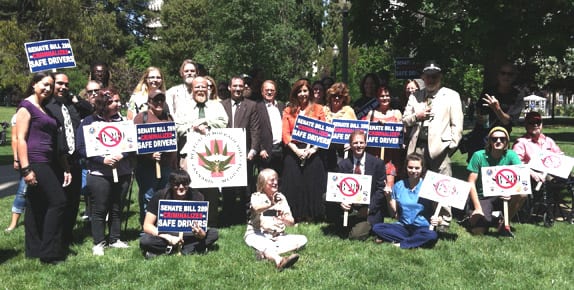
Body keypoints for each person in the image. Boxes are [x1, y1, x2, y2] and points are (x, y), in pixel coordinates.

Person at [16, 72, 71, 264]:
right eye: (44, 84)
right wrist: (26, 169)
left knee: (36, 205)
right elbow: (20, 139)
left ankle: (34, 249)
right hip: (36, 161)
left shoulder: (44, 107)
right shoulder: (26, 107)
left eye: (50, 85)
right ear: (33, 84)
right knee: (58, 201)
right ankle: (49, 252)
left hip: (47, 161)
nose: (48, 89)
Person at [402, 60, 464, 230]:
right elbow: (405, 120)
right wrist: (417, 116)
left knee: (443, 182)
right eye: (428, 76)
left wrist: (451, 145)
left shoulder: (451, 95)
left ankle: (443, 220)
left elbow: (457, 124)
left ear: (440, 77)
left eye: (434, 76)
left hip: (440, 146)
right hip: (418, 145)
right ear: (423, 77)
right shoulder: (415, 96)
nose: (431, 79)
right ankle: (420, 214)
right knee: (417, 181)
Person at [76, 87, 134, 256]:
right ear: (103, 104)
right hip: (99, 174)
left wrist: (121, 155)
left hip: (121, 171)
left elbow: (131, 145)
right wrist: (102, 160)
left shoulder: (123, 122)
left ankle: (115, 239)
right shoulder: (88, 122)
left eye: (118, 101)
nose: (117, 104)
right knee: (100, 208)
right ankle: (99, 241)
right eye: (113, 101)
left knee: (117, 207)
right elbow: (82, 148)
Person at [45, 72, 92, 250]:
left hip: (74, 159)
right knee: (58, 200)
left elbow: (88, 109)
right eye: (59, 84)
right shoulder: (47, 105)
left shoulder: (70, 104)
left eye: (66, 84)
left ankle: (67, 235)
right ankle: (54, 236)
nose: (63, 87)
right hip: (55, 159)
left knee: (73, 201)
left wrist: (74, 99)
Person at [175, 76, 228, 226]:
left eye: (203, 87)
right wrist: (194, 127)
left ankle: (211, 221)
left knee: (211, 188)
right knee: (189, 186)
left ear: (208, 89)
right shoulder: (183, 107)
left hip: (211, 153)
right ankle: (191, 220)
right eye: (197, 87)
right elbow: (177, 126)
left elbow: (223, 122)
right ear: (192, 89)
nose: (200, 90)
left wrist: (206, 124)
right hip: (188, 153)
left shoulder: (216, 106)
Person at [140, 169, 219, 259]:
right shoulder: (160, 196)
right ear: (170, 184)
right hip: (166, 234)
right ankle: (190, 249)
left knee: (213, 233)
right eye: (177, 184)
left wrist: (201, 234)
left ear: (189, 184)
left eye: (185, 184)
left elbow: (202, 228)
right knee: (145, 240)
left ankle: (166, 250)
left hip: (189, 234)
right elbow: (147, 226)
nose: (181, 187)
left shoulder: (197, 196)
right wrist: (167, 237)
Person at [281, 79, 327, 222]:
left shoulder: (319, 109)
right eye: (299, 91)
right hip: (294, 150)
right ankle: (295, 214)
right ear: (295, 93)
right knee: (293, 182)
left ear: (310, 92)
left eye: (305, 91)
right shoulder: (288, 110)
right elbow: (285, 134)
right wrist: (297, 151)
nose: (302, 94)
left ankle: (312, 214)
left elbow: (323, 132)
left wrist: (312, 150)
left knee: (312, 181)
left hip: (313, 150)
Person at [328, 130, 387, 240]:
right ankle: (341, 223)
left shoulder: (377, 163)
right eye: (355, 143)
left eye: (361, 142)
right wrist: (341, 202)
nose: (358, 146)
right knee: (325, 196)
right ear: (350, 145)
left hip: (368, 210)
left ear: (366, 143)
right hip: (349, 208)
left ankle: (358, 226)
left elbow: (380, 190)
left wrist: (369, 209)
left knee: (355, 236)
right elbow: (336, 188)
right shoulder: (343, 165)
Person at [467, 127, 526, 236]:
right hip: (483, 196)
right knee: (478, 231)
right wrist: (478, 208)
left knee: (522, 194)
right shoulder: (478, 156)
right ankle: (477, 215)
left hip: (502, 194)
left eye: (502, 139)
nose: (498, 141)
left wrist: (511, 191)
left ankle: (504, 224)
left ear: (507, 142)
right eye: (494, 139)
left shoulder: (511, 155)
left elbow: (521, 178)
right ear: (489, 141)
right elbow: (471, 182)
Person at [372, 153, 439, 249]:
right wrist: (388, 197)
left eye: (417, 168)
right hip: (403, 226)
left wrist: (438, 220)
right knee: (377, 228)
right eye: (410, 167)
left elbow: (438, 212)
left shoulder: (428, 186)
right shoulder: (399, 185)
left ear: (422, 169)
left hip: (422, 227)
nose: (413, 171)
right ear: (406, 168)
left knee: (432, 235)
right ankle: (414, 240)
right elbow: (393, 214)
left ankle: (402, 243)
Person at [244, 169, 306, 270]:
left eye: (276, 180)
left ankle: (264, 253)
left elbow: (291, 222)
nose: (276, 183)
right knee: (266, 244)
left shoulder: (281, 197)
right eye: (272, 180)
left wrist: (284, 219)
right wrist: (271, 204)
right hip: (257, 233)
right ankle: (279, 260)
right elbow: (256, 208)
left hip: (278, 236)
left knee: (302, 239)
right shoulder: (256, 196)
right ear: (263, 183)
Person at [133, 90, 178, 225]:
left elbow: (172, 141)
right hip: (146, 168)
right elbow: (135, 143)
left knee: (165, 196)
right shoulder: (142, 118)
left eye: (161, 100)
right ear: (149, 102)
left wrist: (174, 163)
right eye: (155, 100)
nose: (159, 103)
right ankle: (147, 228)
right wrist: (149, 155)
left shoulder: (168, 117)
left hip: (166, 167)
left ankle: (163, 226)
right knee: (149, 197)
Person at [220, 76, 261, 226]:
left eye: (241, 86)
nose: (238, 89)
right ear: (230, 88)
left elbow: (255, 130)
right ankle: (227, 216)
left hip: (245, 154)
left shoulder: (251, 105)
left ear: (244, 88)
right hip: (225, 153)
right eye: (235, 86)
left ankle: (247, 217)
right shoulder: (221, 105)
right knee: (227, 187)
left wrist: (253, 150)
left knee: (246, 187)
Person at [464, 62, 524, 162]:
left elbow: (507, 121)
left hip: (500, 137)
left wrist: (497, 108)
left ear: (514, 77)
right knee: (477, 166)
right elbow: (479, 110)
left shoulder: (517, 95)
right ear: (498, 75)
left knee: (497, 166)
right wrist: (480, 116)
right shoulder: (489, 91)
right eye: (503, 73)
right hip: (481, 135)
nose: (506, 76)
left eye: (510, 74)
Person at [363, 86, 403, 184]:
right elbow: (364, 133)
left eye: (387, 95)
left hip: (390, 157)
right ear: (377, 98)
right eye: (382, 96)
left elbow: (402, 131)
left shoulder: (396, 113)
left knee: (389, 187)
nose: (385, 98)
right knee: (372, 185)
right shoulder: (371, 114)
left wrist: (391, 126)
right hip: (373, 155)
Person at [323, 82, 356, 170]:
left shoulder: (349, 111)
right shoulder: (323, 110)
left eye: (340, 96)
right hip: (325, 152)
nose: (337, 98)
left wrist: (351, 142)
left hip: (343, 153)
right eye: (334, 95)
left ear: (344, 98)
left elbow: (356, 131)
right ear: (330, 97)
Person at [256, 80, 285, 175]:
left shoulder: (281, 106)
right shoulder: (256, 107)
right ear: (262, 92)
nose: (269, 92)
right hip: (266, 150)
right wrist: (260, 149)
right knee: (265, 180)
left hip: (281, 149)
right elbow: (254, 130)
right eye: (267, 90)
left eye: (272, 90)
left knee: (280, 180)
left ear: (275, 92)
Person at [6, 113, 26, 232]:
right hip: (25, 158)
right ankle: (13, 224)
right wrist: (16, 158)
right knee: (22, 190)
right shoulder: (18, 115)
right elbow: (15, 139)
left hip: (41, 158)